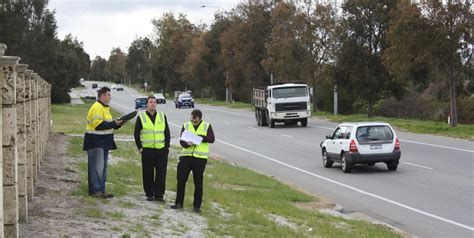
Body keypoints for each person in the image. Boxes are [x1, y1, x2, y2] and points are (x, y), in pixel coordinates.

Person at [83, 86, 126, 199]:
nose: (110, 97)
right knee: (97, 167)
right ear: (102, 96)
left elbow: (108, 125)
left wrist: (118, 125)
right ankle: (95, 190)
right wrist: (114, 124)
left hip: (104, 142)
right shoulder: (97, 107)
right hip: (95, 142)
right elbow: (98, 125)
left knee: (103, 167)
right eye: (108, 95)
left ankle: (101, 190)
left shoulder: (105, 108)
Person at [171, 109, 215, 213]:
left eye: (195, 118)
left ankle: (197, 206)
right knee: (181, 180)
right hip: (186, 156)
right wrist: (186, 144)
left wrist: (200, 138)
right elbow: (181, 140)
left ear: (199, 118)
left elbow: (211, 139)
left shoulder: (206, 126)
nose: (193, 120)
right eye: (192, 117)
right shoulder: (186, 125)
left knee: (198, 182)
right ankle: (178, 203)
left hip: (200, 158)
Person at [134, 96, 170, 202]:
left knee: (161, 173)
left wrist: (167, 146)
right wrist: (140, 147)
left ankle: (159, 194)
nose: (152, 104)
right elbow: (136, 133)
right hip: (147, 150)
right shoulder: (141, 117)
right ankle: (149, 193)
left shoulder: (162, 116)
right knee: (148, 173)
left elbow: (166, 132)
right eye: (150, 102)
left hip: (161, 150)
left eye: (154, 102)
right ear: (147, 104)